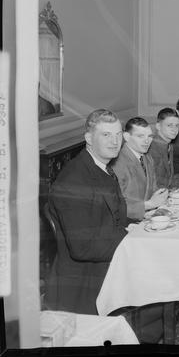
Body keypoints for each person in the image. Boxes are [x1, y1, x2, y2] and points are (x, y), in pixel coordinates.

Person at [44, 109, 164, 343]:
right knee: (159, 293)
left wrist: (139, 229)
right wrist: (132, 242)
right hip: (85, 280)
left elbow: (116, 217)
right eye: (106, 135)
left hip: (105, 260)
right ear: (89, 138)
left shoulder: (102, 168)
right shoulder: (74, 180)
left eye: (118, 134)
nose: (115, 141)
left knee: (163, 274)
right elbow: (83, 247)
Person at [111, 117, 168, 221]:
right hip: (127, 223)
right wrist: (149, 204)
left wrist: (161, 195)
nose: (147, 141)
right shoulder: (117, 163)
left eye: (150, 136)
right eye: (140, 136)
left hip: (148, 217)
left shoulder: (147, 157)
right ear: (127, 136)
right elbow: (116, 205)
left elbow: (153, 189)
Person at [147, 107, 179, 189]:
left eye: (177, 125)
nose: (174, 129)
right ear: (158, 126)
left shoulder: (168, 145)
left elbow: (168, 180)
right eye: (169, 125)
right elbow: (156, 184)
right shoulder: (152, 149)